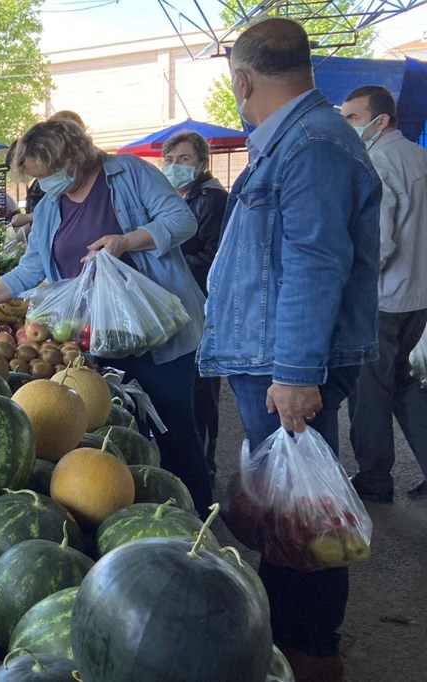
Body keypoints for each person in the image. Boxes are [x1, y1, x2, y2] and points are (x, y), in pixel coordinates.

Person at [199, 19, 380, 682]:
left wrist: (298, 374)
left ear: (243, 80)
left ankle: (310, 652)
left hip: (286, 367)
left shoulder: (309, 146)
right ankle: (291, 641)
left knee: (304, 523)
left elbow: (314, 262)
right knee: (286, 517)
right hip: (272, 360)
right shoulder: (301, 140)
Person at [0, 118, 213, 515]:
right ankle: (139, 514)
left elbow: (181, 221)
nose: (43, 184)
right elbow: (29, 270)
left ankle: (197, 513)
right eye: (36, 178)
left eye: (47, 174)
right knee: (115, 432)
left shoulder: (129, 173)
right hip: (97, 338)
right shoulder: (47, 208)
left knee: (175, 424)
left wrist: (126, 241)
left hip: (158, 328)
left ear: (72, 157)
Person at [340, 85, 427, 502]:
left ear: (382, 120)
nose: (347, 126)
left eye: (353, 118)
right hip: (418, 296)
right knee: (402, 383)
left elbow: (380, 244)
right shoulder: (420, 158)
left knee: (369, 391)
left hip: (383, 299)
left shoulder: (376, 163)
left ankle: (374, 478)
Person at [161, 131, 229, 482]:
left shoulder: (212, 199)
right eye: (170, 160)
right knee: (188, 383)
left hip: (204, 303)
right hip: (184, 302)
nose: (175, 166)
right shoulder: (180, 197)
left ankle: (206, 463)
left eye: (184, 160)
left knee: (203, 386)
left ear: (202, 163)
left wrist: (173, 261)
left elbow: (217, 257)